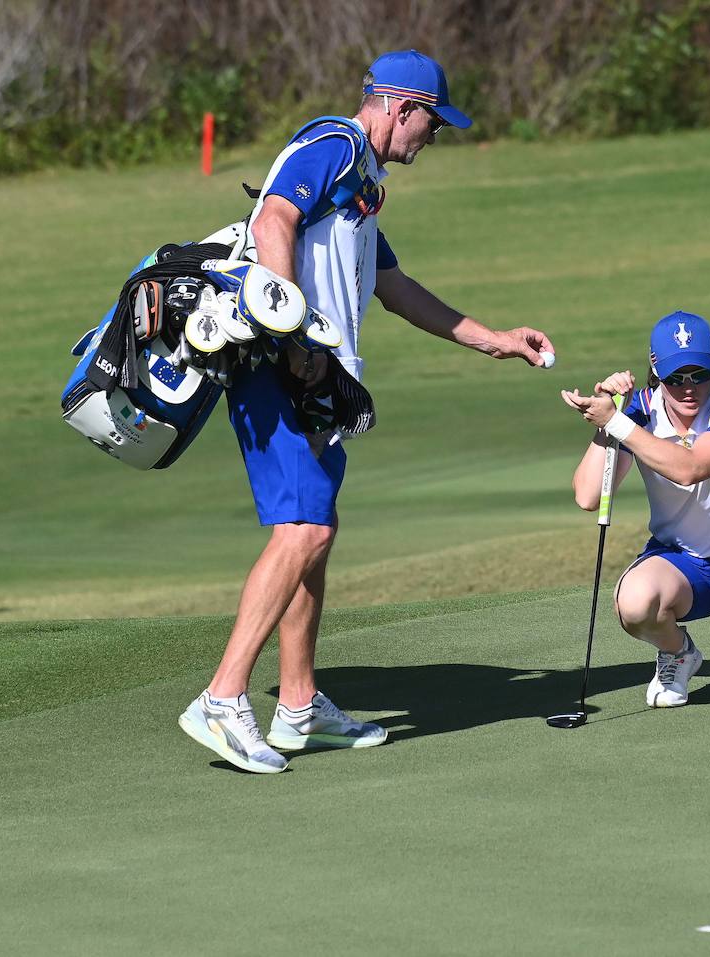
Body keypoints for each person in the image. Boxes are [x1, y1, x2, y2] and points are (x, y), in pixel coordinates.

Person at [178, 50, 555, 773]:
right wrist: (290, 332)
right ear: (402, 107)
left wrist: (496, 340)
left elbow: (395, 288)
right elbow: (275, 219)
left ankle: (298, 706)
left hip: (316, 381)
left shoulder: (361, 184)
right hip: (274, 367)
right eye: (432, 124)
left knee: (315, 533)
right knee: (306, 527)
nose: (432, 138)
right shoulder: (335, 144)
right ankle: (222, 698)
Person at [561, 311, 710, 709]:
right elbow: (588, 496)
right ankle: (678, 654)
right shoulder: (637, 412)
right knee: (634, 604)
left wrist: (619, 424)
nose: (689, 388)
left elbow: (691, 469)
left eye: (699, 374)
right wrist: (607, 421)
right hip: (680, 560)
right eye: (676, 378)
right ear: (656, 372)